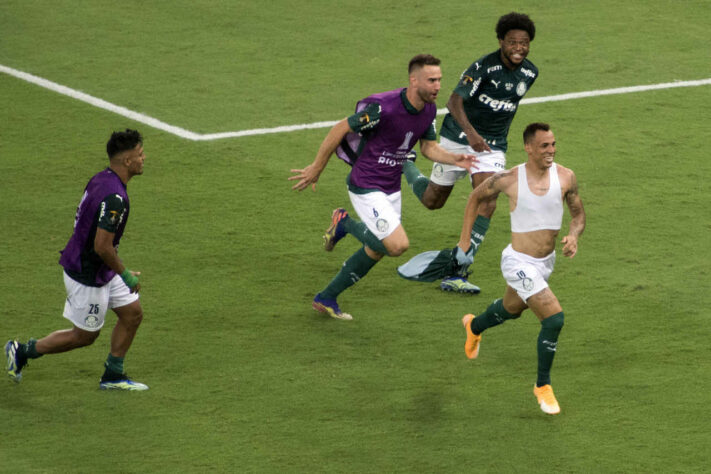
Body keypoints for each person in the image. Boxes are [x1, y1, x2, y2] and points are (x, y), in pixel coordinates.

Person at [289, 54, 477, 321]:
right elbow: (340, 128)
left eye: (439, 80)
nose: (438, 86)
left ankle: (326, 297)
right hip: (366, 184)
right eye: (432, 80)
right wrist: (316, 168)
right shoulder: (384, 108)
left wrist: (455, 158)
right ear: (414, 80)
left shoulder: (429, 110)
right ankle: (345, 223)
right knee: (397, 245)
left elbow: (428, 148)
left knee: (377, 248)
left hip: (390, 187)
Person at [402, 12, 538, 293]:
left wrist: (486, 138)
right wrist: (472, 134)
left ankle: (459, 269)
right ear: (501, 41)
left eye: (523, 43)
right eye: (512, 42)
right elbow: (453, 102)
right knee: (432, 201)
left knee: (488, 198)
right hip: (458, 137)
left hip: (492, 146)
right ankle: (405, 163)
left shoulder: (530, 73)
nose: (518, 48)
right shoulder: (482, 68)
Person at [5, 129, 149, 390]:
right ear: (127, 161)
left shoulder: (102, 178)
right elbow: (102, 247)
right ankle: (22, 351)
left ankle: (113, 376)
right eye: (140, 154)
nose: (144, 158)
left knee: (132, 314)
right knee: (84, 336)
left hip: (100, 266)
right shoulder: (115, 198)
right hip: (88, 273)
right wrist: (125, 274)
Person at [457, 122, 585, 414]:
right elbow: (476, 196)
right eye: (544, 146)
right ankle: (542, 386)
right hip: (518, 262)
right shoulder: (509, 179)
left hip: (544, 264)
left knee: (511, 309)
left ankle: (473, 326)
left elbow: (578, 214)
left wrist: (574, 236)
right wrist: (465, 240)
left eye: (553, 144)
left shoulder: (566, 177)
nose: (551, 150)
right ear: (528, 148)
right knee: (553, 319)